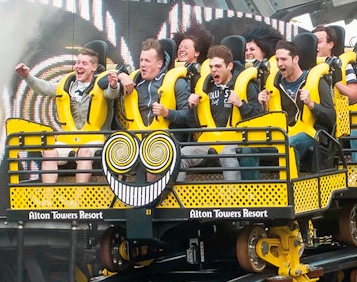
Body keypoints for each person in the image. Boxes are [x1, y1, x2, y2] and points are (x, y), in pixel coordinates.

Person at [14, 46, 119, 183]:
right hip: (70, 139)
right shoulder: (66, 86)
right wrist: (27, 76)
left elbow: (112, 93)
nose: (79, 66)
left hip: (95, 138)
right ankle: (48, 199)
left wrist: (113, 85)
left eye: (84, 63)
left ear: (93, 67)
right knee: (49, 153)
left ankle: (78, 198)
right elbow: (44, 87)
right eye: (78, 62)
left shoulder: (101, 85)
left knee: (84, 153)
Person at [185, 45, 263, 180]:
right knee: (182, 154)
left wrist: (241, 105)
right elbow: (193, 125)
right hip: (209, 141)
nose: (214, 70)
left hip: (235, 141)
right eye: (211, 67)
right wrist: (192, 107)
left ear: (230, 66)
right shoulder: (205, 88)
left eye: (218, 66)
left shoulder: (246, 86)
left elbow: (258, 118)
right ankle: (173, 198)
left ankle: (232, 199)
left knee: (227, 155)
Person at [258, 38, 335, 171]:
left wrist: (312, 105)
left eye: (283, 59)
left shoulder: (316, 82)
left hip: (312, 133)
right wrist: (263, 105)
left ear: (295, 59)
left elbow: (331, 118)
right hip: (283, 132)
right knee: (249, 148)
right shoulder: (275, 86)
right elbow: (270, 120)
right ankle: (252, 190)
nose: (279, 63)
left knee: (289, 144)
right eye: (277, 60)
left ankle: (291, 187)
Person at [114, 39, 195, 133]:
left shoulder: (177, 83)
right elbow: (102, 82)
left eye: (147, 61)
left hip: (167, 140)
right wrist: (120, 74)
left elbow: (188, 118)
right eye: (141, 60)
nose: (143, 64)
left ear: (159, 64)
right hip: (136, 139)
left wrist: (167, 113)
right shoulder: (133, 81)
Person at [314, 25, 357, 103]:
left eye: (319, 42)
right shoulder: (305, 65)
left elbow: (355, 96)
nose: (315, 45)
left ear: (330, 45)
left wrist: (335, 82)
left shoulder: (343, 65)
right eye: (313, 42)